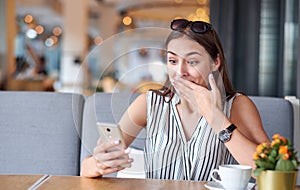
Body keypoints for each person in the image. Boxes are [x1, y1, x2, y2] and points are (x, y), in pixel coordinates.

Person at [81, 19, 270, 180]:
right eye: (173, 61)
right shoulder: (149, 103)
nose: (180, 72)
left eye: (192, 61)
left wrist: (215, 117)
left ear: (215, 62)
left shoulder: (237, 105)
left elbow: (271, 170)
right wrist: (99, 164)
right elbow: (86, 169)